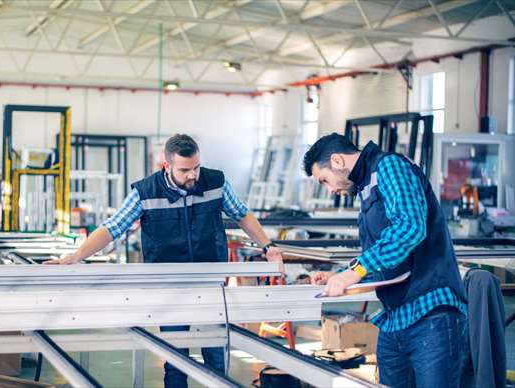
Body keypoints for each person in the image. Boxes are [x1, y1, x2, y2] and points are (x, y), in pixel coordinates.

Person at [45, 134, 283, 388]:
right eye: (185, 170)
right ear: (166, 166)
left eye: (196, 167)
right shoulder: (145, 192)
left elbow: (242, 214)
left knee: (216, 356)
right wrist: (76, 256)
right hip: (170, 287)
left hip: (210, 283)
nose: (193, 175)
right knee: (175, 358)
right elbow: (113, 227)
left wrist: (268, 246)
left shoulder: (215, 183)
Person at [303, 133, 467, 388]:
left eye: (324, 180)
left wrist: (353, 272)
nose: (330, 190)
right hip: (396, 318)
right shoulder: (366, 187)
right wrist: (341, 274)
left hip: (430, 313)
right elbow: (386, 255)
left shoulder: (390, 167)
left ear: (337, 160)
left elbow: (409, 228)